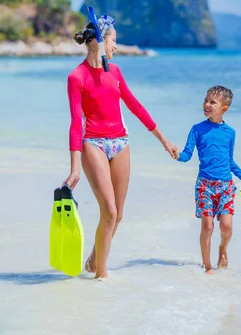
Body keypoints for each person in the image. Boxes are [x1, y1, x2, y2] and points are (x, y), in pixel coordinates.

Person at [63, 15, 178, 280]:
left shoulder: (114, 73)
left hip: (121, 143)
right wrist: (75, 167)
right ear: (100, 42)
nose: (116, 46)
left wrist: (164, 140)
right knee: (109, 211)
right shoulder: (76, 77)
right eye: (114, 41)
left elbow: (135, 106)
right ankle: (101, 277)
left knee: (119, 215)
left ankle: (93, 261)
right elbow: (74, 123)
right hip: (94, 143)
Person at [173, 85, 241, 274]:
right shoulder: (197, 129)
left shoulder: (230, 132)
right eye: (206, 100)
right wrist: (176, 154)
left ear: (224, 109)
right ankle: (207, 265)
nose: (206, 104)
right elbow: (186, 155)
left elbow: (230, 161)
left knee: (226, 226)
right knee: (208, 225)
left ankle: (222, 249)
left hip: (226, 186)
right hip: (204, 185)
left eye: (212, 102)